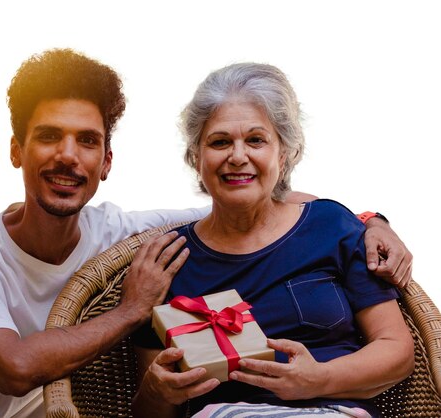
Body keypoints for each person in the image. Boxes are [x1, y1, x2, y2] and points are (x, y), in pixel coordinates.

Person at [0, 49, 411, 418]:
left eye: (87, 141)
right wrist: (133, 311)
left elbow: (256, 197)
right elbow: (15, 368)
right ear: (16, 150)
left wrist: (370, 223)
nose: (68, 155)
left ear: (106, 162)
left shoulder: (138, 235)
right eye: (48, 137)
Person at [131, 63, 415, 418]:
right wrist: (158, 392)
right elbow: (150, 414)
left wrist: (320, 379)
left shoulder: (330, 226)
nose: (237, 157)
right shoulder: (167, 260)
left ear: (283, 154)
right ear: (196, 158)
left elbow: (397, 350)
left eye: (256, 140)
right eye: (220, 142)